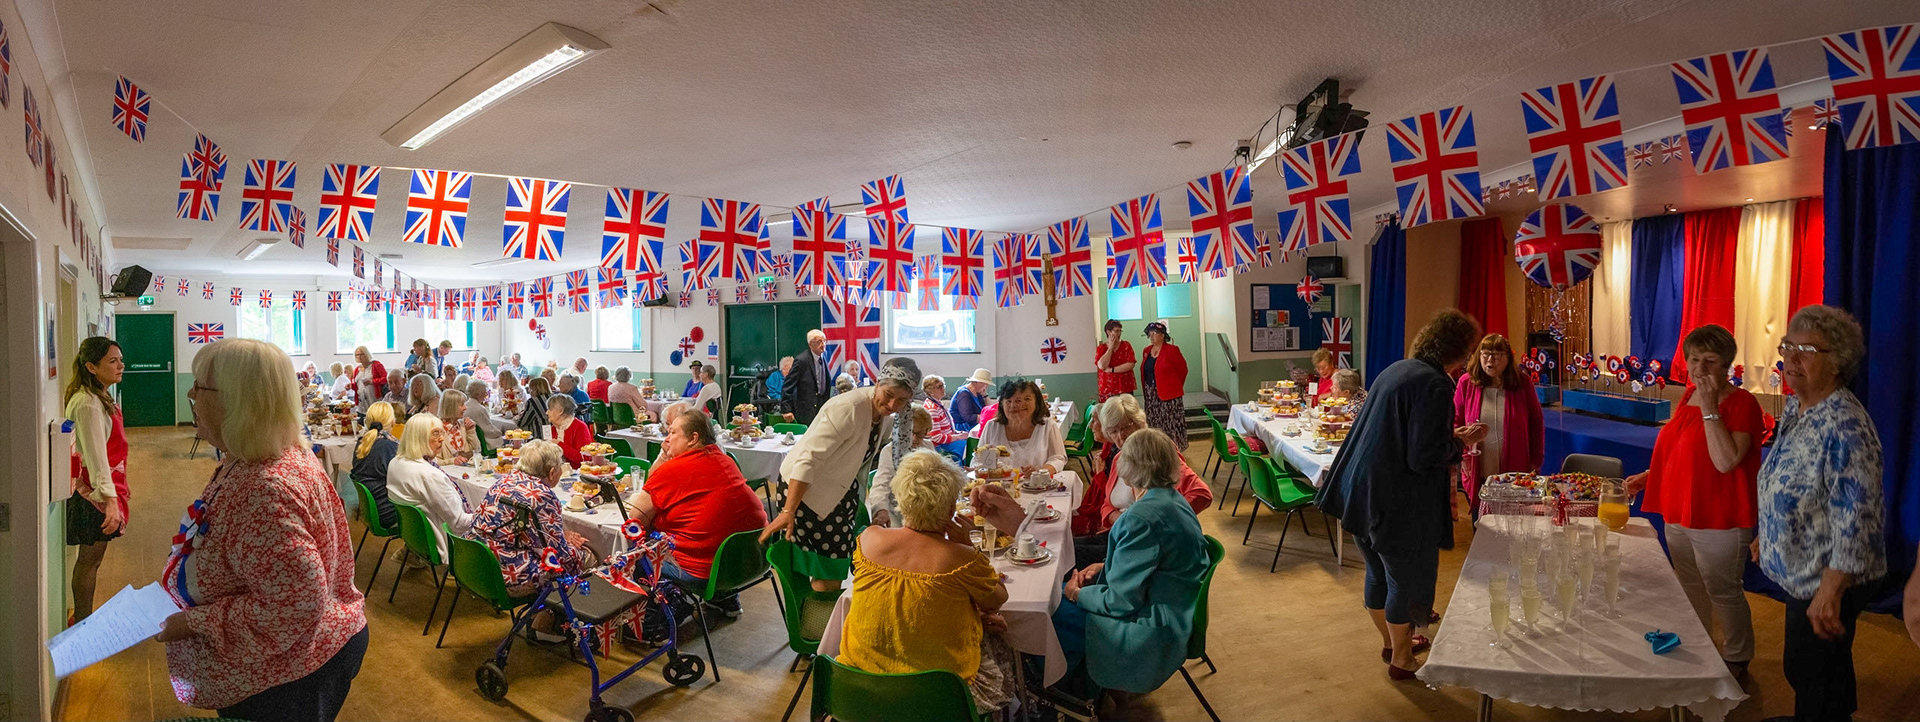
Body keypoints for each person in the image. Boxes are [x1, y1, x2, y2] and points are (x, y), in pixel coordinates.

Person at [163, 338, 366, 720]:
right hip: (292, 658)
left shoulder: (265, 488)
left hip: (290, 675)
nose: (190, 393)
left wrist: (194, 622)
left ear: (236, 400)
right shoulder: (256, 456)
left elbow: (294, 604)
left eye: (200, 386)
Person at [1316, 309, 1485, 680]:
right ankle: (1403, 661)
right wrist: (1459, 447)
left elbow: (1400, 435)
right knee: (1403, 582)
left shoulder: (1398, 368)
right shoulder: (1437, 384)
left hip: (1359, 492)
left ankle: (1392, 643)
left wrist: (1452, 436)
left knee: (1377, 575)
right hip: (1394, 500)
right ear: (1458, 349)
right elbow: (1422, 456)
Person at [1756, 305, 1885, 722]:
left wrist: (1830, 591)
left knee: (1810, 670)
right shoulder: (1799, 408)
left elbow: (1859, 518)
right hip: (1803, 569)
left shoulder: (1845, 424)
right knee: (1820, 669)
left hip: (1826, 578)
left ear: (1838, 362)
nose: (1790, 358)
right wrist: (1769, 532)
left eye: (1806, 349)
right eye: (1787, 346)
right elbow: (1786, 479)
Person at [1622, 324, 1764, 674]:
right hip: (1680, 509)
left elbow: (1725, 460)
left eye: (1710, 360)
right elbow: (1682, 451)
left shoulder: (1743, 403)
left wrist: (1711, 406)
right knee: (1689, 585)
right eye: (1694, 359)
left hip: (1719, 514)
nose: (1700, 368)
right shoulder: (1687, 396)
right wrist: (1649, 476)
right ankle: (1700, 645)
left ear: (1727, 364)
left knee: (1722, 589)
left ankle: (1737, 657)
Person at [840, 450, 1016, 712]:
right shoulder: (962, 558)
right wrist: (970, 545)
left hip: (859, 684)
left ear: (900, 497)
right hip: (938, 697)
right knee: (1000, 637)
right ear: (949, 508)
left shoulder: (869, 539)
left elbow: (906, 605)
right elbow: (997, 600)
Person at [1052, 429, 1208, 699]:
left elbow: (1120, 602)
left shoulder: (1139, 517)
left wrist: (1077, 594)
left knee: (1053, 611)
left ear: (1127, 469)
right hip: (1178, 610)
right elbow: (1158, 563)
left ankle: (1073, 696)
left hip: (1153, 627)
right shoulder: (1175, 501)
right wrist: (1106, 566)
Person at [761, 362, 916, 591]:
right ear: (877, 384)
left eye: (902, 400)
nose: (893, 404)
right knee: (825, 563)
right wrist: (788, 511)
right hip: (804, 489)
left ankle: (819, 611)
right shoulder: (849, 408)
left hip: (839, 487)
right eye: (889, 395)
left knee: (834, 561)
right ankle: (813, 616)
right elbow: (808, 460)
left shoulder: (886, 415)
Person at [625, 409, 769, 621]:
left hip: (709, 573)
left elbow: (635, 520)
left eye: (673, 432)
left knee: (637, 553)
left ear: (693, 438)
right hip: (754, 559)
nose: (666, 438)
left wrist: (663, 461)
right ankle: (726, 600)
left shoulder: (673, 470)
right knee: (720, 529)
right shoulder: (725, 460)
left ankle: (654, 622)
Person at [1074, 394, 1213, 566]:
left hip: (1144, 546)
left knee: (1069, 556)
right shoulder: (1119, 457)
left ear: (1138, 422)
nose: (1120, 436)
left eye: (1125, 427)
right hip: (1120, 533)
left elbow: (1202, 494)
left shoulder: (1156, 451)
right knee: (1065, 548)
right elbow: (1106, 503)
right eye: (1114, 431)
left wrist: (1158, 524)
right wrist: (1118, 518)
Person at [468, 440, 588, 603]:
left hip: (476, 562)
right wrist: (575, 548)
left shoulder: (503, 481)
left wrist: (560, 535)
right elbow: (560, 556)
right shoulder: (542, 496)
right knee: (588, 555)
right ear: (552, 472)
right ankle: (562, 616)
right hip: (506, 574)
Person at [65, 337, 127, 623]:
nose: (120, 365)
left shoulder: (100, 397)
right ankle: (83, 622)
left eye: (120, 359)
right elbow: (95, 457)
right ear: (91, 366)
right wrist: (110, 500)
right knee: (89, 561)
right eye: (112, 361)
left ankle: (83, 617)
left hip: (103, 489)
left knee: (93, 559)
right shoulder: (87, 404)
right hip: (93, 495)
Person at [1450, 333, 1544, 518]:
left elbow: (1536, 423)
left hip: (1515, 468)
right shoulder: (1466, 383)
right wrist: (1462, 454)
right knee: (1482, 521)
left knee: (1514, 522)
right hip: (1479, 467)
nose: (1490, 360)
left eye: (1497, 355)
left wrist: (1536, 460)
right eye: (1485, 354)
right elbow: (1455, 421)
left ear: (1508, 358)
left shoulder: (1523, 384)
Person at [386, 413, 474, 561]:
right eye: (435, 434)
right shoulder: (430, 475)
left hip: (416, 538)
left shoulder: (395, 462)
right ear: (419, 437)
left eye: (441, 433)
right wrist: (487, 513)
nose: (441, 438)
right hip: (443, 543)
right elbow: (459, 523)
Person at [976, 379, 1067, 476]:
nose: (1015, 405)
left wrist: (1041, 471)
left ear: (1037, 402)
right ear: (1002, 404)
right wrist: (980, 469)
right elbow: (979, 458)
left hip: (1035, 486)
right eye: (1009, 401)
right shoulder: (992, 427)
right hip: (1000, 486)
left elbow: (1058, 458)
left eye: (1027, 399)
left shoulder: (1047, 426)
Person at [866, 406, 936, 527]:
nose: (915, 439)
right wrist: (881, 511)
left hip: (924, 507)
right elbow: (880, 485)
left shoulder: (928, 446)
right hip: (898, 509)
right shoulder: (890, 451)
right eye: (911, 433)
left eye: (920, 434)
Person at [350, 402, 402, 531]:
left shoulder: (362, 443)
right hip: (388, 513)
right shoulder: (389, 447)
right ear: (393, 421)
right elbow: (405, 480)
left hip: (371, 510)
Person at [1139, 322, 1189, 449]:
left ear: (1162, 335)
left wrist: (1174, 387)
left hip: (1170, 395)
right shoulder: (1146, 351)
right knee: (1155, 424)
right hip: (1151, 395)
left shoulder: (1172, 350)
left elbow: (1183, 370)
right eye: (1149, 334)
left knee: (1171, 424)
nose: (1151, 336)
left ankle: (1174, 450)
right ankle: (1158, 449)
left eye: (1154, 333)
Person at [782, 330, 833, 424]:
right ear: (810, 344)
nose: (823, 344)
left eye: (824, 341)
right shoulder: (802, 360)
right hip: (806, 409)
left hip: (821, 407)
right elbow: (788, 385)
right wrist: (786, 410)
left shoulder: (823, 358)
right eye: (819, 342)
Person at [920, 375, 969, 458]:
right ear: (930, 391)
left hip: (946, 441)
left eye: (943, 385)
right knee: (966, 447)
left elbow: (947, 429)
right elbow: (936, 438)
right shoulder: (932, 409)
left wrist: (958, 433)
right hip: (939, 446)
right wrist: (958, 437)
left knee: (969, 441)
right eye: (939, 387)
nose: (943, 389)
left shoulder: (938, 404)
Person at [464, 381, 517, 451]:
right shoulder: (480, 409)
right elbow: (489, 431)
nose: (486, 394)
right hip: (483, 442)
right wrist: (501, 432)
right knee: (509, 440)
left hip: (471, 438)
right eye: (484, 392)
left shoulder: (465, 405)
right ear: (477, 394)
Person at [1094, 320, 1138, 402]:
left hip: (1125, 386)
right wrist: (1110, 348)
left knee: (1126, 412)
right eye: (1116, 331)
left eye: (1120, 331)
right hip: (1108, 389)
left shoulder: (1126, 345)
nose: (1119, 333)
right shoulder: (1101, 348)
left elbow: (1130, 364)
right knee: (1110, 413)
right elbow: (1102, 366)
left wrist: (1111, 370)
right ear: (1108, 332)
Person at [545, 394, 593, 465]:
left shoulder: (580, 427)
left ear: (560, 411)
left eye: (550, 409)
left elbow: (584, 458)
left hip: (576, 473)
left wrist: (559, 445)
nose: (546, 412)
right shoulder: (553, 428)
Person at [436, 391, 478, 466]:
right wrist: (452, 461)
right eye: (461, 405)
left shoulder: (462, 425)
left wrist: (470, 431)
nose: (465, 407)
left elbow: (477, 450)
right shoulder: (436, 430)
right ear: (451, 407)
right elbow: (434, 461)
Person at [949, 368, 992, 434]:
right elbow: (968, 417)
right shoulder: (964, 394)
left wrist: (985, 395)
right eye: (985, 384)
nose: (986, 387)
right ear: (977, 382)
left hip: (974, 425)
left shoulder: (978, 393)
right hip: (963, 428)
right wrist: (988, 417)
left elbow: (989, 409)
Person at [350, 346, 387, 411]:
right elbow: (357, 386)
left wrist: (373, 381)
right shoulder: (356, 370)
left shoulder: (376, 365)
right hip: (361, 404)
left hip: (375, 400)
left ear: (366, 354)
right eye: (357, 355)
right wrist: (351, 386)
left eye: (361, 354)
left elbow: (386, 378)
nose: (359, 356)